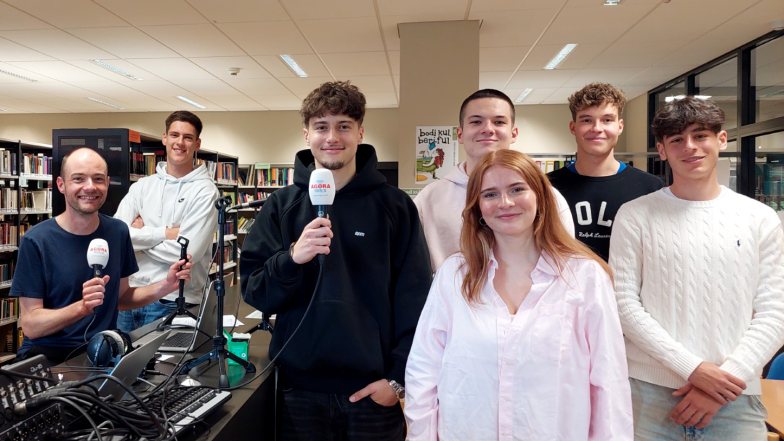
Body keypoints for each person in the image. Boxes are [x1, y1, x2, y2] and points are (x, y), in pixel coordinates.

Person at [240, 81, 431, 441]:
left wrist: (397, 379)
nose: (332, 137)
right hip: (298, 390)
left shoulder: (395, 206)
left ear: (360, 132)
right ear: (306, 134)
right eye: (321, 126)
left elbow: (416, 299)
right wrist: (292, 259)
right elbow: (256, 292)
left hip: (372, 391)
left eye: (344, 126)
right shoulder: (281, 206)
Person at [405, 149, 633, 440]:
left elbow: (608, 383)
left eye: (517, 189)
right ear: (477, 207)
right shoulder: (454, 275)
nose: (505, 202)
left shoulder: (585, 278)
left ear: (541, 196)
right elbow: (424, 371)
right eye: (490, 194)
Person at [609, 97, 784, 440]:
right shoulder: (635, 215)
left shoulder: (759, 218)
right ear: (662, 150)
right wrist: (693, 370)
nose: (689, 147)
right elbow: (623, 303)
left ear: (722, 139)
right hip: (649, 396)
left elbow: (774, 311)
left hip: (734, 397)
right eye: (677, 139)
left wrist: (723, 381)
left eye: (700, 135)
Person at [11, 147, 191, 364]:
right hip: (50, 358)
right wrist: (81, 308)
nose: (90, 187)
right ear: (61, 184)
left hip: (102, 352)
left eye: (98, 179)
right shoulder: (36, 240)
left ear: (107, 183)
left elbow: (121, 298)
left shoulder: (118, 231)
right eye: (78, 179)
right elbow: (31, 325)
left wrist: (166, 286)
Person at [415, 88, 574, 271]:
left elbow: (564, 260)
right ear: (460, 134)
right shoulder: (429, 198)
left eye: (499, 122)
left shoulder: (545, 195)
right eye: (476, 122)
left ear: (514, 133)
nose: (488, 129)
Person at [114, 110, 218, 332]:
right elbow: (117, 236)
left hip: (174, 300)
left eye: (188, 137)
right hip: (130, 296)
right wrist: (164, 234)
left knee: (165, 357)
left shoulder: (206, 192)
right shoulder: (142, 186)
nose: (180, 142)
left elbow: (186, 254)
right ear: (164, 138)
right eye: (174, 135)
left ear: (197, 144)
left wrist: (138, 237)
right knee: (124, 356)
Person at [548, 82, 662, 261]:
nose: (597, 128)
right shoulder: (547, 186)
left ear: (620, 126)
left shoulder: (650, 187)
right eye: (586, 120)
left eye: (607, 120)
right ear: (573, 127)